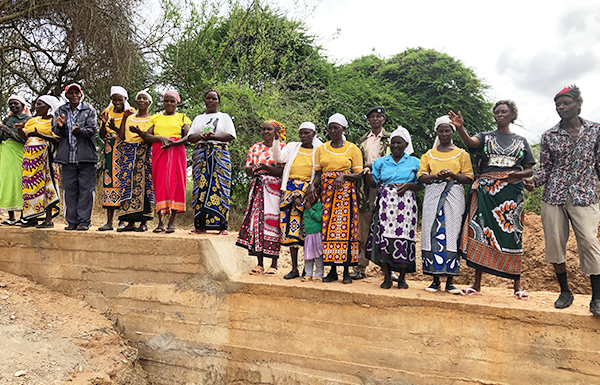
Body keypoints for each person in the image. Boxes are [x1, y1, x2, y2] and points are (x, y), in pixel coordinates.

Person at [524, 85, 600, 316]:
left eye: (566, 103)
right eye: (558, 104)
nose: (562, 107)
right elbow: (546, 168)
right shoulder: (549, 135)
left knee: (589, 241)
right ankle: (565, 291)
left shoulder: (595, 130)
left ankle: (596, 297)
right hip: (554, 195)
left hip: (585, 194)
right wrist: (533, 182)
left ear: (578, 103)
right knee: (555, 244)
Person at [452, 100, 535, 298]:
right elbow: (472, 143)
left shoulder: (521, 140)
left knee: (513, 235)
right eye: (496, 112)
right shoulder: (485, 136)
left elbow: (529, 168)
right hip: (486, 191)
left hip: (511, 194)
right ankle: (477, 284)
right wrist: (461, 128)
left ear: (512, 115)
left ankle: (517, 286)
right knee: (482, 234)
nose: (499, 115)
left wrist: (519, 176)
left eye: (503, 112)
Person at [418, 116, 474, 294]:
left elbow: (468, 178)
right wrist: (436, 176)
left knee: (452, 233)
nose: (444, 133)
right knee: (431, 232)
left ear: (452, 132)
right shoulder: (428, 155)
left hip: (454, 195)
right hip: (432, 195)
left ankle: (450, 281)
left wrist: (452, 175)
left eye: (447, 130)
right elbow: (421, 177)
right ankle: (435, 280)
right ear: (437, 132)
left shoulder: (461, 154)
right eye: (441, 131)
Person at [363, 126, 423, 289]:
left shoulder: (415, 162)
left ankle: (402, 278)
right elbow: (374, 183)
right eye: (393, 143)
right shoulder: (381, 162)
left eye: (399, 143)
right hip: (384, 204)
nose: (396, 145)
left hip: (406, 206)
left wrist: (409, 185)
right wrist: (367, 174)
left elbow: (421, 185)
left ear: (406, 144)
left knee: (405, 238)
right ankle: (387, 277)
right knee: (384, 239)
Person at [307, 113, 363, 284]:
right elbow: (318, 174)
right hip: (327, 194)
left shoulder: (353, 149)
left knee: (345, 231)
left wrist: (344, 176)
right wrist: (311, 185)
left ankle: (346, 271)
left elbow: (359, 173)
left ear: (343, 129)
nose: (332, 131)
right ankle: (332, 270)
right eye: (330, 128)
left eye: (336, 128)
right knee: (327, 230)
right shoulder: (321, 149)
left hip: (345, 195)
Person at [273, 121, 323, 279]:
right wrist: (276, 139)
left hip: (309, 192)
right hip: (290, 192)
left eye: (306, 133)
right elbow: (279, 157)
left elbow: (320, 172)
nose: (303, 136)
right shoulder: (293, 146)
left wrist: (314, 189)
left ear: (313, 134)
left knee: (309, 230)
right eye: (301, 133)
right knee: (291, 230)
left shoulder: (318, 150)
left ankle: (310, 270)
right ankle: (294, 268)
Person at [236, 120, 285, 275]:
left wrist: (265, 168)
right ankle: (259, 263)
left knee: (273, 223)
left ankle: (274, 264)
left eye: (269, 129)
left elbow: (283, 171)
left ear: (276, 131)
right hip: (258, 189)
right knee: (257, 223)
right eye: (263, 129)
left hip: (275, 190)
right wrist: (254, 169)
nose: (265, 132)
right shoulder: (255, 147)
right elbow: (247, 170)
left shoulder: (283, 147)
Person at [187, 89, 236, 235]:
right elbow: (190, 137)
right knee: (201, 187)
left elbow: (231, 135)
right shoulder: (198, 118)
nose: (210, 101)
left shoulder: (224, 117)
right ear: (204, 101)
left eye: (214, 99)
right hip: (201, 155)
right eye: (208, 98)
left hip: (219, 154)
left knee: (220, 186)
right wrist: (201, 136)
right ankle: (200, 226)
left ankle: (222, 226)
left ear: (218, 102)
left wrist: (213, 137)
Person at [352, 106, 392, 281]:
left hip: (386, 184)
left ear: (383, 119)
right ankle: (360, 267)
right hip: (365, 185)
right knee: (364, 226)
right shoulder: (361, 141)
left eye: (378, 116)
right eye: (372, 117)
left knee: (387, 225)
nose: (375, 119)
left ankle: (388, 268)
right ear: (368, 120)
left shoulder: (391, 139)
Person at [143, 90, 191, 233]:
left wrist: (175, 143)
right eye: (166, 101)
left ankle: (171, 222)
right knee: (160, 183)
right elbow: (147, 136)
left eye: (172, 101)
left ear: (177, 103)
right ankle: (160, 222)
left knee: (176, 183)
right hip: (160, 151)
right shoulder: (155, 118)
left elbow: (188, 136)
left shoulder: (183, 118)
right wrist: (161, 138)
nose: (169, 104)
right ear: (163, 102)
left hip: (177, 151)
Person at [53, 83, 98, 231]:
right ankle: (71, 221)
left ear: (81, 94)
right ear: (66, 95)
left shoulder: (89, 110)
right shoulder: (61, 110)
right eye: (71, 93)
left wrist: (80, 131)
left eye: (76, 93)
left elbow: (92, 129)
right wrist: (61, 127)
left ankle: (84, 221)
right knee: (69, 190)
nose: (74, 95)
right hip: (67, 158)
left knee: (86, 190)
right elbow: (57, 131)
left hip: (86, 158)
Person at [17, 95, 62, 228]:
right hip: (30, 160)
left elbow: (58, 139)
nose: (36, 107)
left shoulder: (54, 121)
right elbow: (24, 137)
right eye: (35, 104)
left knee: (46, 185)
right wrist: (20, 130)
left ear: (48, 107)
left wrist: (39, 135)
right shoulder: (32, 120)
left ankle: (48, 220)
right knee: (30, 186)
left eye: (39, 104)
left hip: (46, 158)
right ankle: (32, 218)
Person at [116, 90, 155, 232]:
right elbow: (122, 136)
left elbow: (149, 139)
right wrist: (124, 119)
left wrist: (139, 132)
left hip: (144, 152)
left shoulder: (153, 119)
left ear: (149, 103)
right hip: (128, 152)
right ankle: (130, 222)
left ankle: (144, 222)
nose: (141, 100)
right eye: (139, 98)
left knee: (145, 185)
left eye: (144, 98)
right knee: (127, 185)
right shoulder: (130, 117)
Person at [98, 86, 134, 231]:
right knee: (109, 183)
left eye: (120, 99)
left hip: (124, 150)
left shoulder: (130, 114)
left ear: (125, 99)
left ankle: (122, 221)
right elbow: (101, 135)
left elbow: (125, 135)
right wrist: (103, 123)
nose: (117, 102)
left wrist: (116, 125)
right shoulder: (107, 112)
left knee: (123, 184)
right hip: (109, 151)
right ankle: (109, 222)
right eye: (114, 99)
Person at [0, 95, 31, 225]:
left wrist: (9, 132)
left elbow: (25, 139)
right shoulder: (7, 119)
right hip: (7, 153)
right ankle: (11, 216)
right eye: (11, 104)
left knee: (22, 181)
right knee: (7, 181)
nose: (13, 106)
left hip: (21, 152)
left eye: (16, 104)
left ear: (23, 106)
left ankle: (24, 215)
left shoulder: (29, 120)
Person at [303, 185, 324, 282]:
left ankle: (319, 274)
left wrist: (310, 210)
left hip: (317, 234)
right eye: (308, 196)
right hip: (308, 234)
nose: (310, 198)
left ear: (318, 196)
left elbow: (319, 218)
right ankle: (308, 274)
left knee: (318, 255)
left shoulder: (319, 206)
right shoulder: (305, 205)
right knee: (308, 255)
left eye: (312, 196)